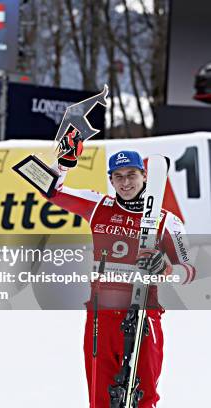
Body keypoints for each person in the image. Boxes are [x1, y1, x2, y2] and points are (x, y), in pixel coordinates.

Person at [44, 132, 195, 408]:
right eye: (118, 176)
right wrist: (63, 164)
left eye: (132, 175)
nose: (125, 182)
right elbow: (51, 190)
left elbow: (191, 271)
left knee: (144, 396)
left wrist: (166, 268)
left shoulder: (166, 221)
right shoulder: (98, 206)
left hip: (143, 318)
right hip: (100, 319)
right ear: (111, 180)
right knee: (100, 398)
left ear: (145, 176)